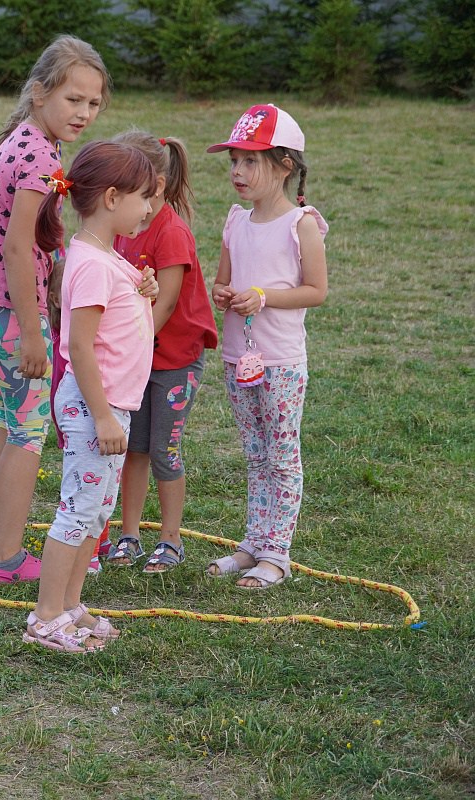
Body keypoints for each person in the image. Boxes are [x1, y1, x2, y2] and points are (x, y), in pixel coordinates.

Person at [0, 35, 112, 585]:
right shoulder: (39, 155)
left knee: (5, 416)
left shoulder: (26, 140)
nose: (84, 112)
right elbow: (17, 248)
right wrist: (33, 334)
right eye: (73, 99)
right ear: (40, 93)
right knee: (28, 430)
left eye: (93, 103)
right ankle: (6, 559)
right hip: (5, 310)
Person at [24, 140, 159, 652]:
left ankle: (71, 604)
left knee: (96, 513)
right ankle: (45, 618)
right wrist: (102, 417)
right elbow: (79, 345)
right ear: (111, 198)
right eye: (143, 197)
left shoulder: (106, 256)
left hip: (110, 407)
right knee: (77, 512)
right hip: (94, 408)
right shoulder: (92, 264)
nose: (149, 208)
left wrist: (142, 290)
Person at [205, 103, 328, 590]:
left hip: (281, 364)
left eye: (250, 161)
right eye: (234, 160)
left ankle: (277, 553)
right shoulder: (235, 221)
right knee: (255, 455)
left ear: (284, 166)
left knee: (281, 457)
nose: (238, 171)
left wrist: (264, 296)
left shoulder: (301, 224)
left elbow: (316, 291)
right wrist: (223, 294)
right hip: (238, 359)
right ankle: (253, 543)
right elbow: (223, 281)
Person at [105, 130, 218, 573]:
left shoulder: (171, 233)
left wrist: (128, 350)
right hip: (138, 358)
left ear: (154, 184)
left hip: (174, 362)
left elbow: (166, 304)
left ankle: (171, 541)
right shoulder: (123, 226)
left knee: (163, 451)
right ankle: (129, 535)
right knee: (133, 448)